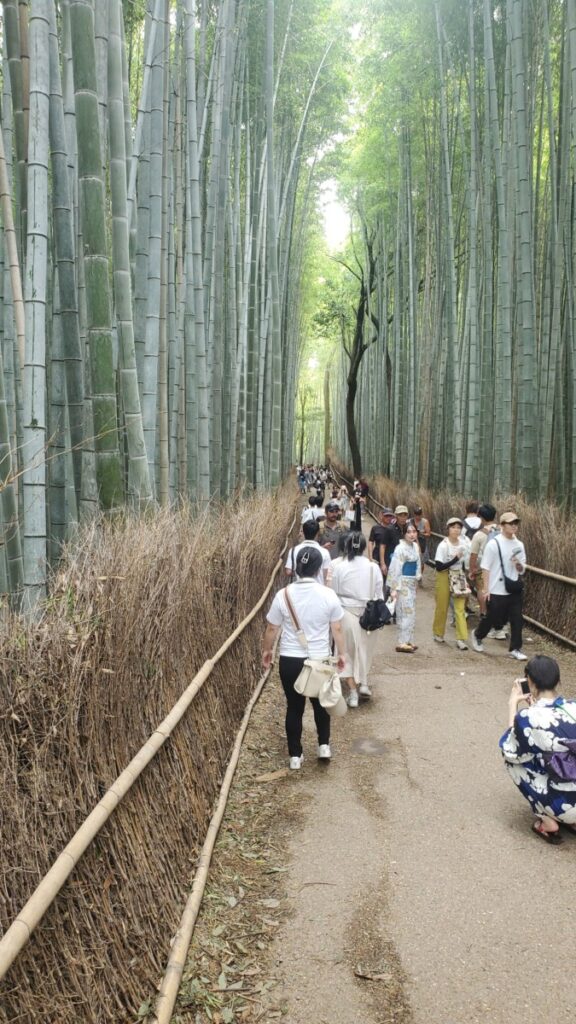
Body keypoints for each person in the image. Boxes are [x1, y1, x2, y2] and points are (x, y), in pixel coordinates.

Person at [262, 547, 347, 769]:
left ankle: (295, 756)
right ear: (319, 567)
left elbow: (272, 627)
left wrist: (267, 650)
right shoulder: (328, 595)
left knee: (294, 706)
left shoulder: (284, 594)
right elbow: (336, 628)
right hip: (318, 659)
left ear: (297, 566)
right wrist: (342, 654)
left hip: (290, 659)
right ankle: (323, 745)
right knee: (321, 704)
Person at [500, 655, 576, 843]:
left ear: (529, 680)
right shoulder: (573, 706)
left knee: (513, 759)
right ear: (558, 680)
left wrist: (513, 705)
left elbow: (509, 747)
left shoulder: (528, 717)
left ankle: (548, 821)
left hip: (562, 805)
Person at [331, 532, 383, 707]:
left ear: (346, 547)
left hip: (346, 612)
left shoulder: (339, 567)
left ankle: (353, 692)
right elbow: (378, 594)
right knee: (365, 650)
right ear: (362, 547)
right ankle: (365, 684)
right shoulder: (373, 567)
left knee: (346, 653)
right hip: (368, 614)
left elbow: (334, 593)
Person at [471, 511, 527, 660]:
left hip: (513, 588)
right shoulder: (493, 544)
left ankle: (515, 648)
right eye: (511, 523)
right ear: (502, 525)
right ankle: (478, 634)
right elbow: (486, 567)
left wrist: (517, 562)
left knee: (517, 619)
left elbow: (522, 569)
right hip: (496, 588)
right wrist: (486, 589)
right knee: (492, 617)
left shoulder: (519, 545)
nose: (514, 526)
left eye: (516, 523)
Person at [432, 517, 471, 649]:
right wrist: (455, 558)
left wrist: (466, 578)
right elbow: (439, 566)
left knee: (460, 608)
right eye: (453, 527)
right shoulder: (443, 545)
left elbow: (465, 562)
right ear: (448, 529)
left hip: (459, 575)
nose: (456, 530)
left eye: (458, 527)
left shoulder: (464, 544)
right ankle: (438, 632)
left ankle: (461, 638)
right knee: (442, 606)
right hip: (444, 575)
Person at [468, 503, 505, 638]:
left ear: (481, 518)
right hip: (502, 570)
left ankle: (486, 619)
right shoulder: (504, 531)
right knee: (500, 597)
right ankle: (500, 628)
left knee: (483, 593)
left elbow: (473, 554)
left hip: (486, 570)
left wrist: (472, 570)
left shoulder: (479, 535)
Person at [388, 522, 422, 653]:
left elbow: (418, 563)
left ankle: (409, 640)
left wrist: (417, 579)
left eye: (414, 531)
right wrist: (394, 588)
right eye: (409, 532)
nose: (412, 534)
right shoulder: (400, 548)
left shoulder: (415, 546)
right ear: (404, 533)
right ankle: (402, 641)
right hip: (402, 581)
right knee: (404, 611)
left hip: (412, 581)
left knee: (411, 611)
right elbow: (395, 568)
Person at [368, 507, 399, 578]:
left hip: (390, 556)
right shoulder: (375, 528)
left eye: (390, 516)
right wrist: (370, 556)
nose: (388, 518)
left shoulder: (395, 529)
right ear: (382, 516)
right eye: (386, 516)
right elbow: (370, 542)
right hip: (377, 556)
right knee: (376, 577)